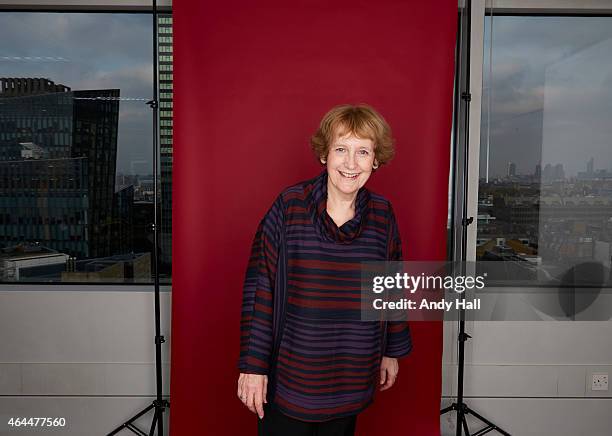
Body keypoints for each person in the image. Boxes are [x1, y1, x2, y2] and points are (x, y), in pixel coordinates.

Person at [237, 104, 412, 436]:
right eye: (341, 149)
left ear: (375, 160)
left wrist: (392, 349)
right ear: (324, 155)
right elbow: (261, 288)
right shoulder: (290, 206)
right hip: (291, 373)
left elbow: (391, 286)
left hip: (352, 371)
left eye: (363, 151)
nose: (350, 162)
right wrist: (253, 365)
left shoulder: (382, 214)